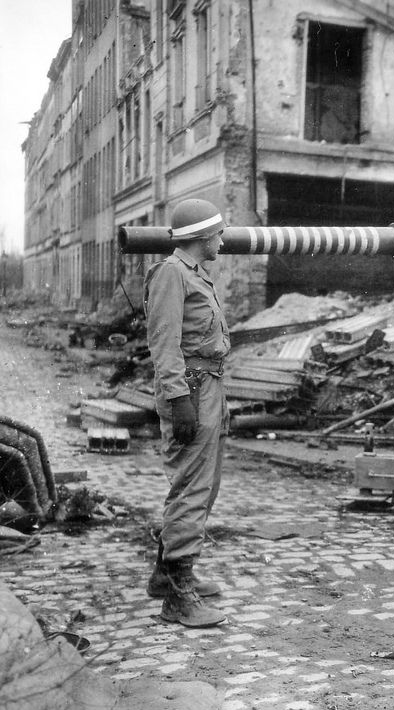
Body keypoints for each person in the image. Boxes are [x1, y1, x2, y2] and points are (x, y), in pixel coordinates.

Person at [143, 198, 231, 627]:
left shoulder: (195, 273)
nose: (222, 239)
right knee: (191, 488)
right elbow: (164, 342)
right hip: (191, 391)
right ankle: (178, 596)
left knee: (203, 485)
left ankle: (169, 574)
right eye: (217, 232)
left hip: (208, 386)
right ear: (200, 236)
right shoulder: (171, 274)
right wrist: (179, 399)